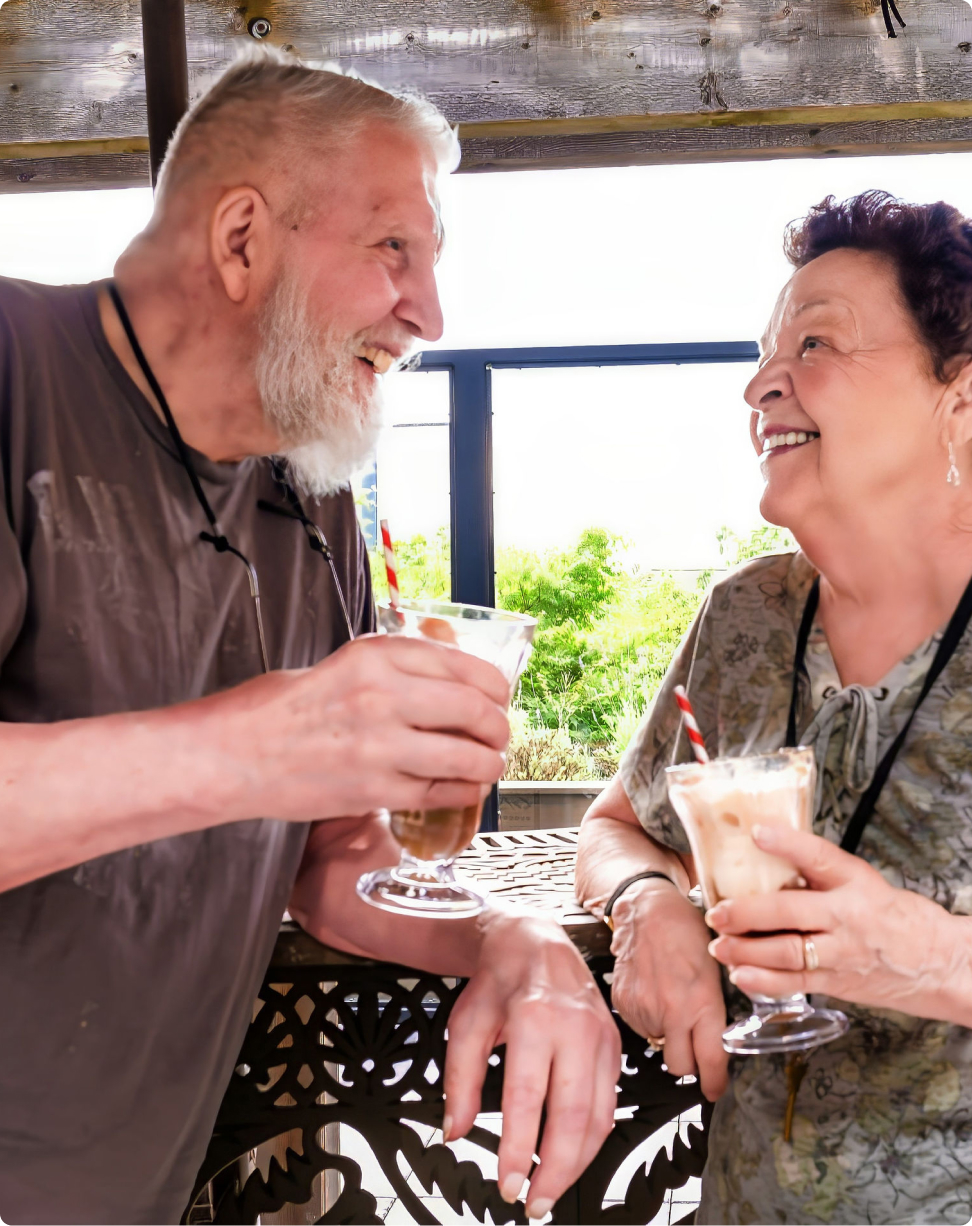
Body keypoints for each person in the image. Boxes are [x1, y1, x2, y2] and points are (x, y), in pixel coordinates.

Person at [0, 51, 619, 1225]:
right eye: (395, 249)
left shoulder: (314, 496)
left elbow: (335, 862)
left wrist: (507, 933)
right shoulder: (12, 363)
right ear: (241, 241)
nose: (430, 314)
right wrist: (262, 741)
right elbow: (268, 757)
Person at [576, 190, 972, 1225]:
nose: (760, 384)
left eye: (816, 342)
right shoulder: (748, 615)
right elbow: (617, 824)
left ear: (960, 400)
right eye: (764, 352)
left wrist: (939, 961)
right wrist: (647, 906)